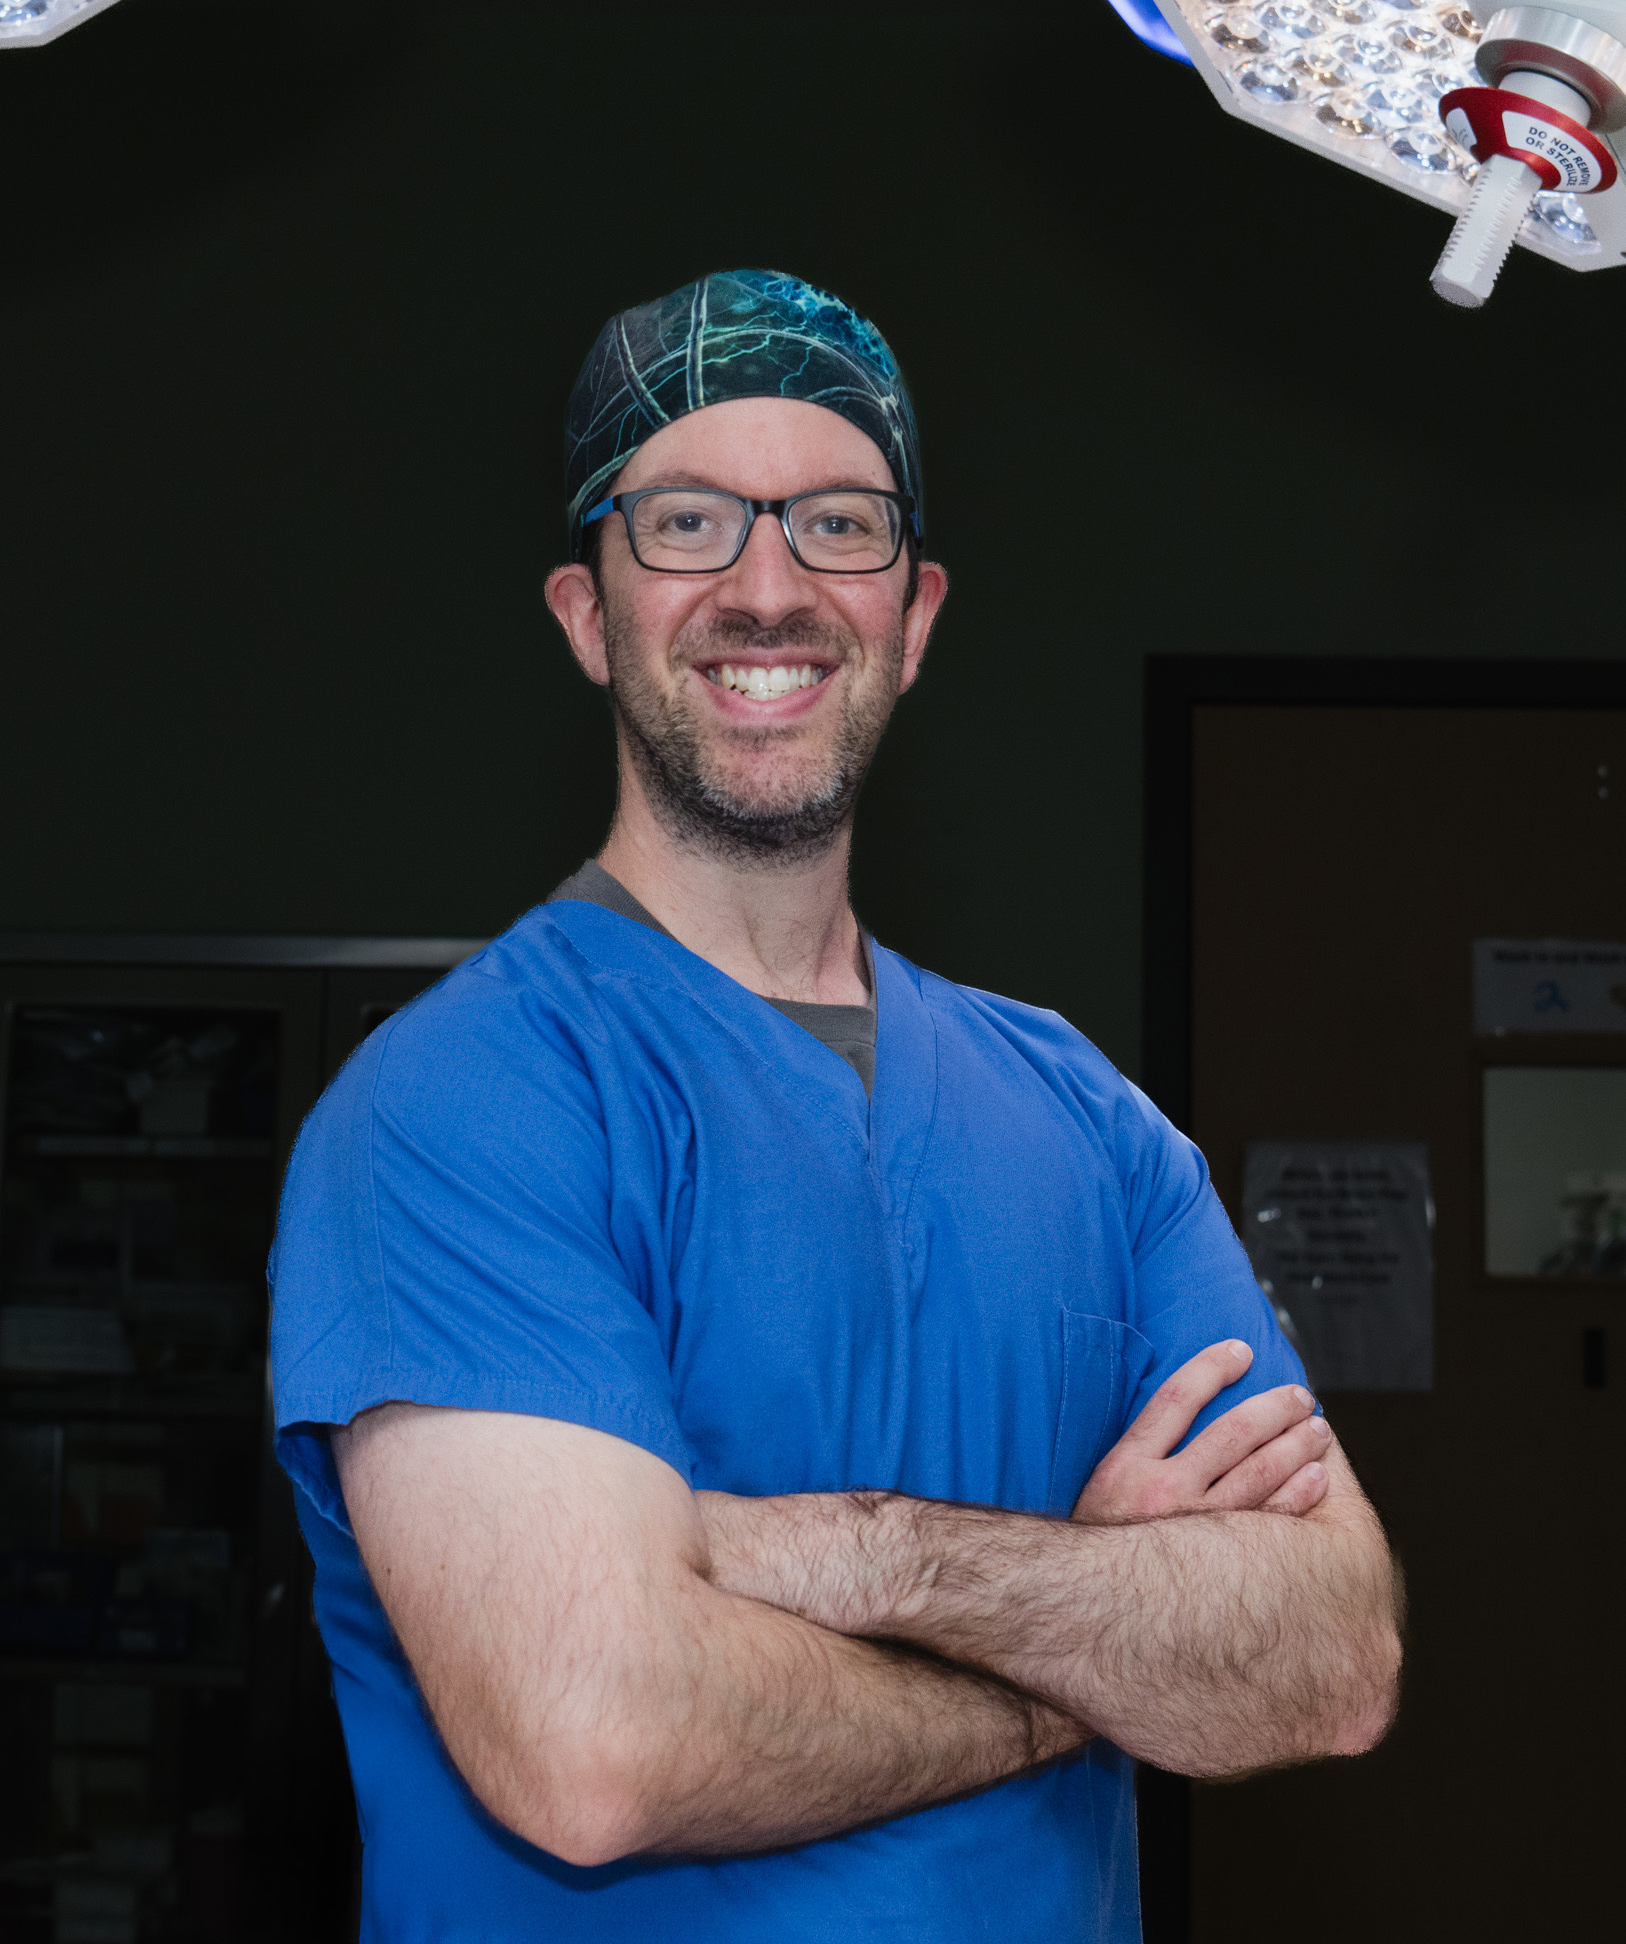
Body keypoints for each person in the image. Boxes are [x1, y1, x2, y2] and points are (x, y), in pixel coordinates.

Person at [267, 269, 1399, 1937]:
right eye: (685, 523)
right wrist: (1087, 1657)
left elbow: (1330, 1655)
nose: (768, 587)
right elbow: (599, 1743)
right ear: (587, 614)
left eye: (839, 525)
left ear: (914, 617)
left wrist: (861, 1555)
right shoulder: (467, 1099)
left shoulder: (1089, 1122)